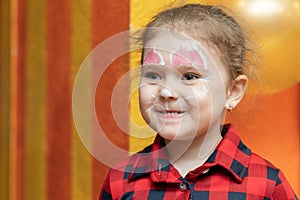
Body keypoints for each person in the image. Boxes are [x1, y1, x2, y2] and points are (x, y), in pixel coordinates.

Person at [99, 3, 298, 200]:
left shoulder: (267, 186)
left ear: (233, 91)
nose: (167, 91)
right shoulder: (121, 181)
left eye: (190, 77)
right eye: (154, 75)